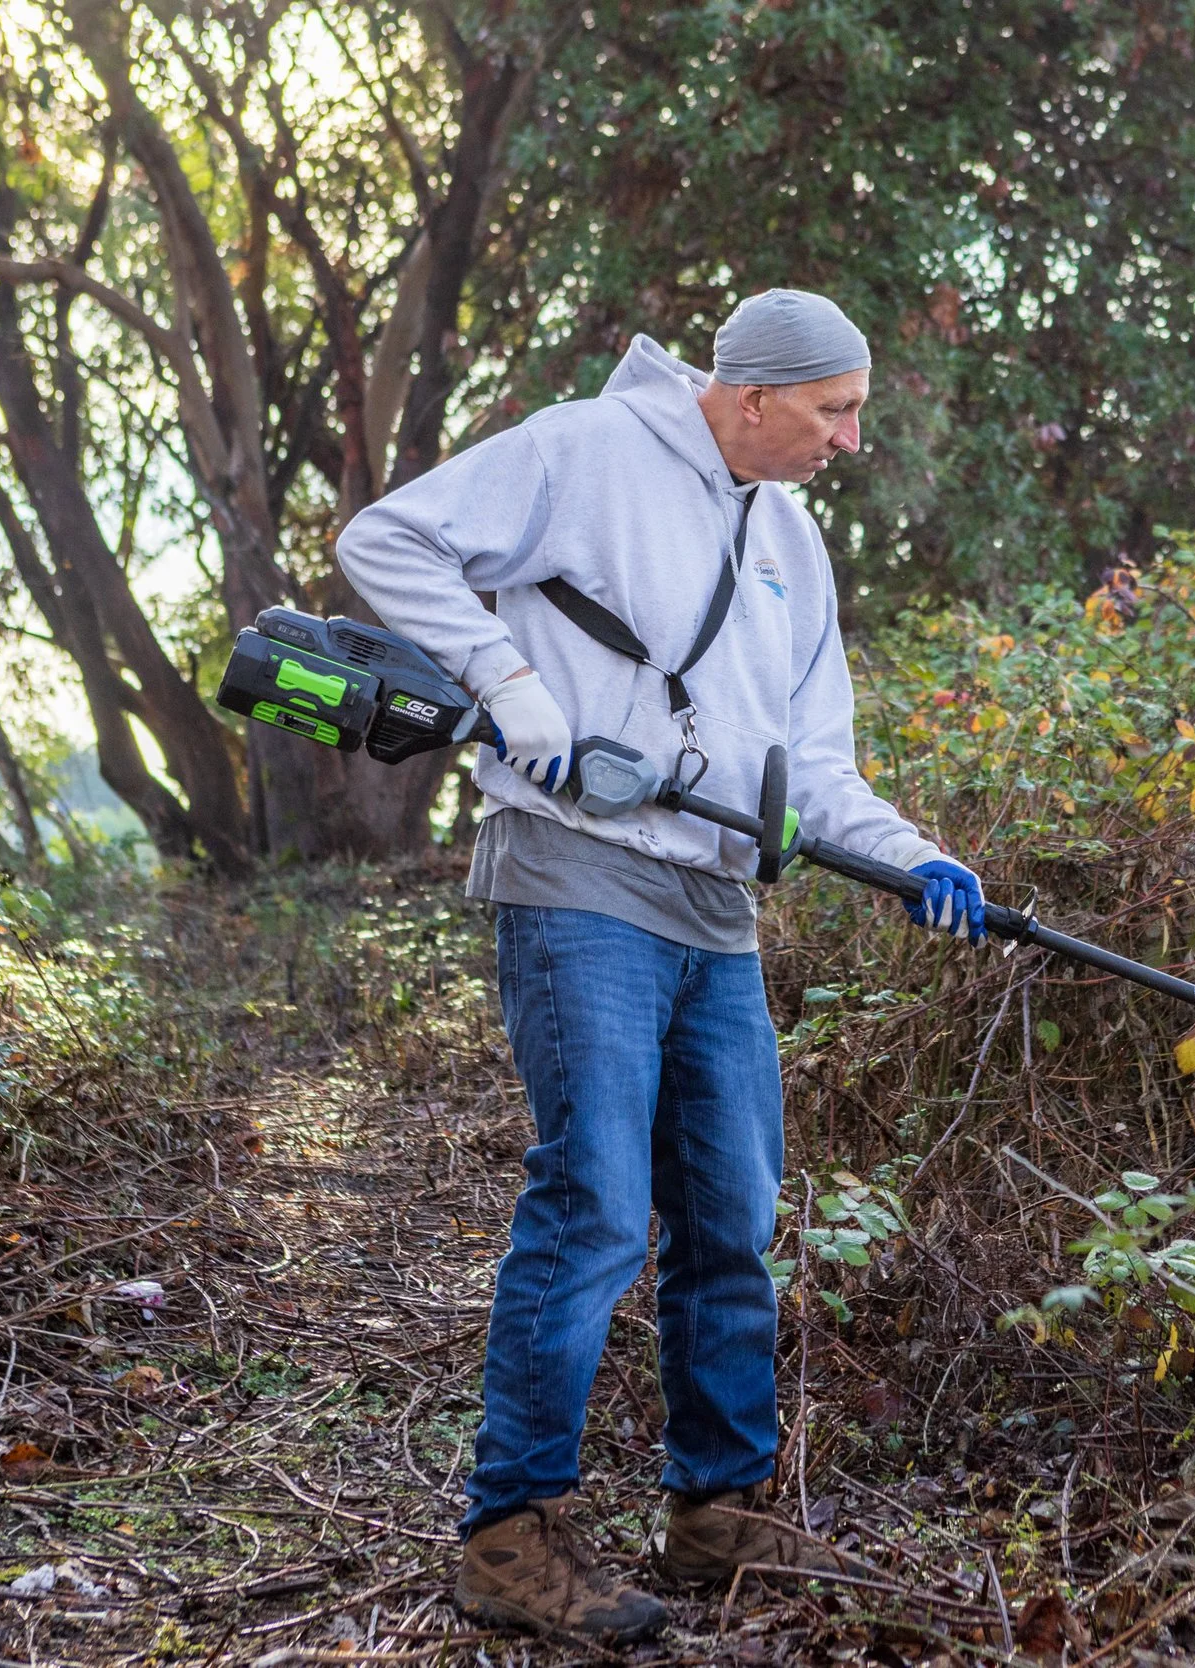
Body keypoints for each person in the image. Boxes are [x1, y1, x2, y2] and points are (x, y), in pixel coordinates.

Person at [335, 289, 985, 1644]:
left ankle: (718, 1507)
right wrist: (516, 694)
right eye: (833, 412)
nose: (849, 440)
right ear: (750, 397)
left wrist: (916, 854)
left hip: (715, 912)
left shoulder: (793, 542)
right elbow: (385, 540)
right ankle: (510, 1537)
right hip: (577, 875)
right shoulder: (584, 451)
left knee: (732, 1215)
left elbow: (811, 765)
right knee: (597, 1207)